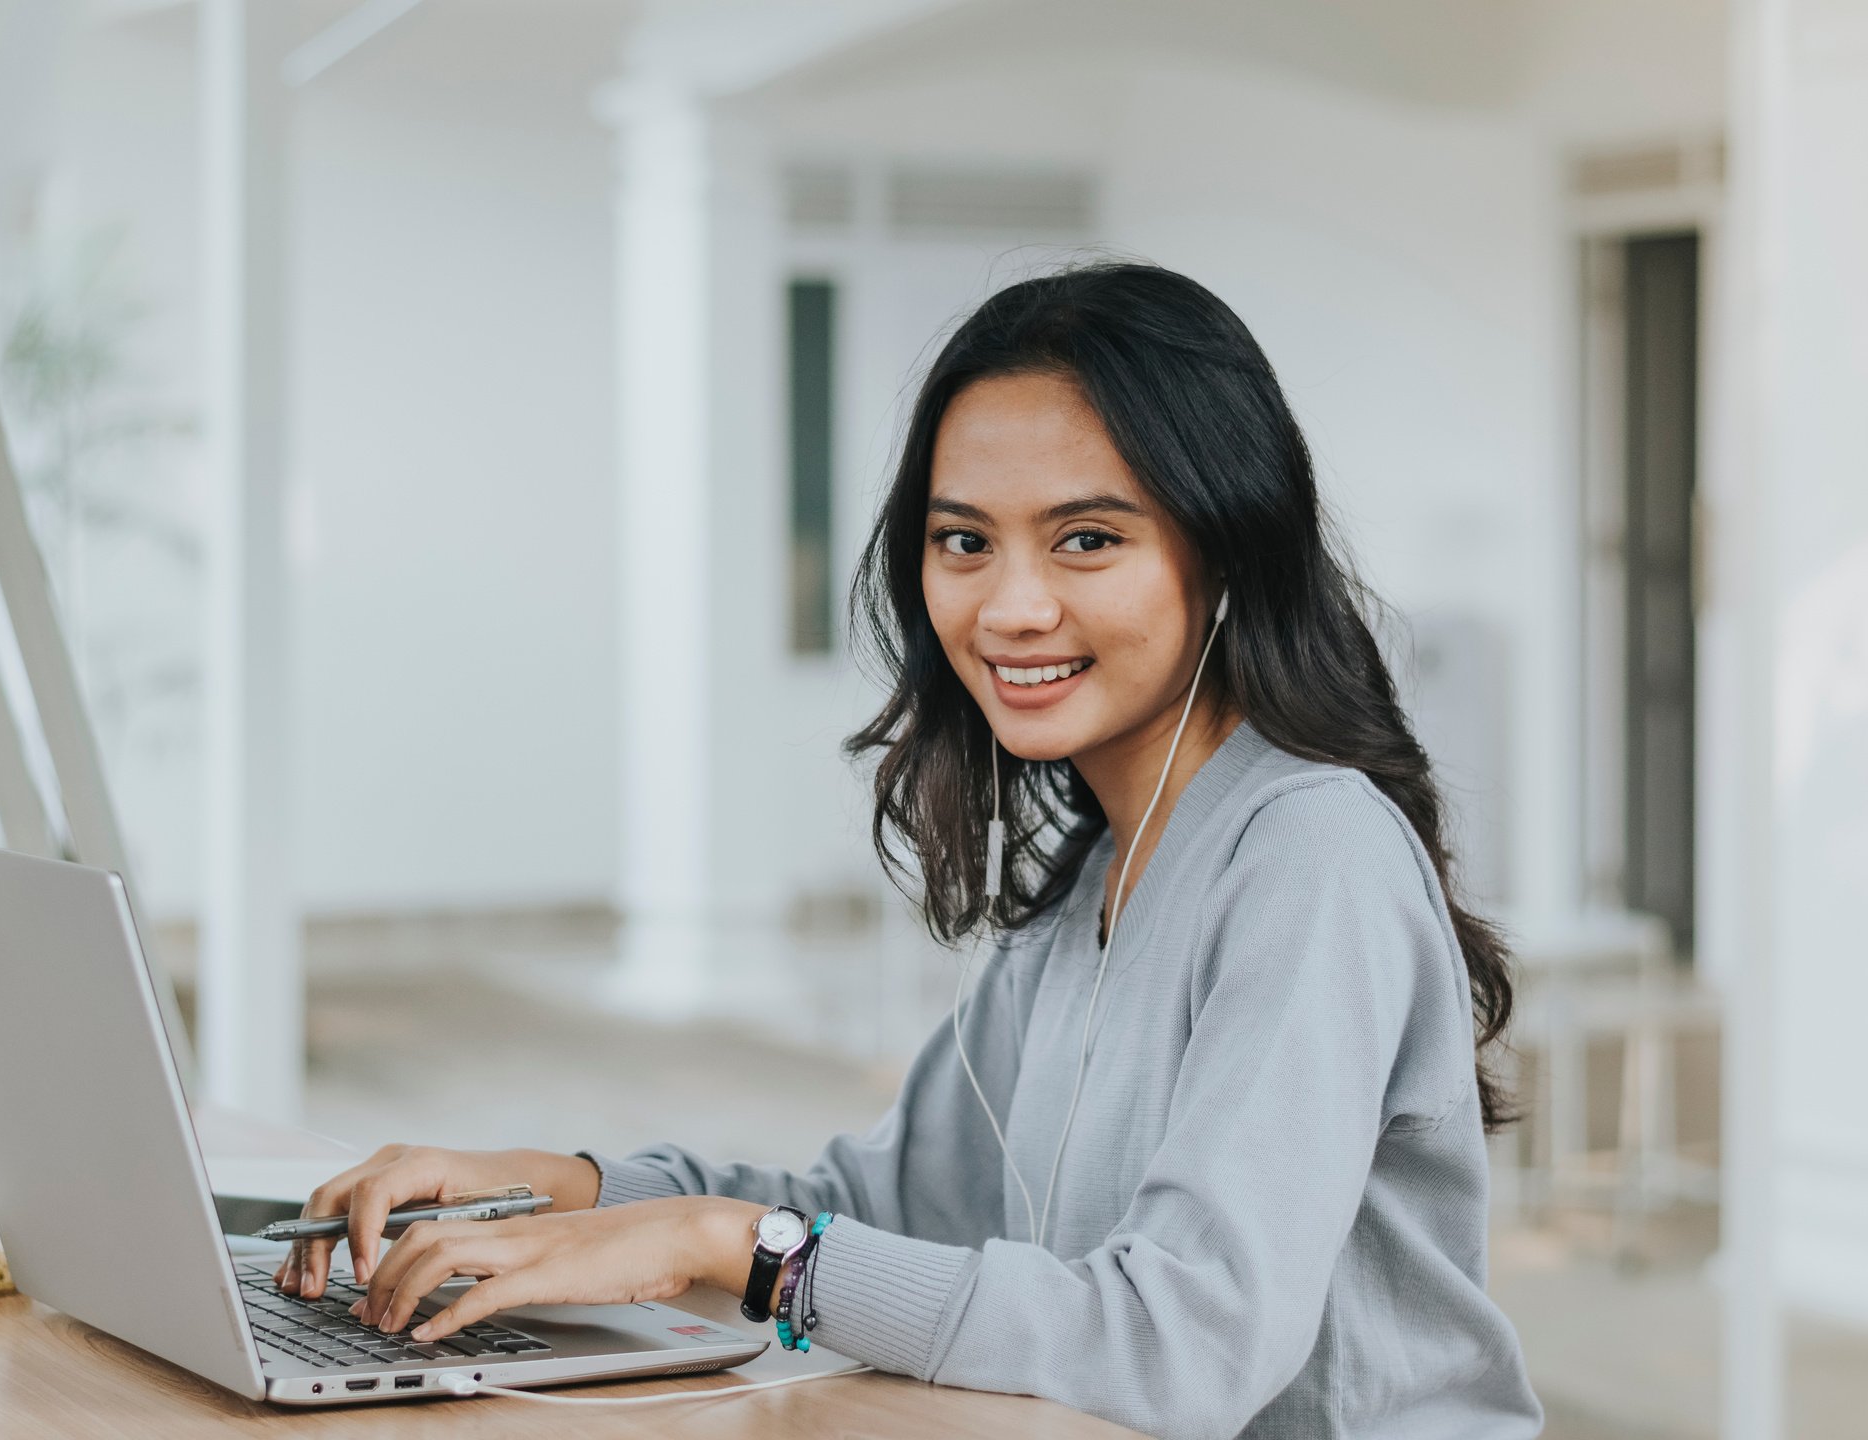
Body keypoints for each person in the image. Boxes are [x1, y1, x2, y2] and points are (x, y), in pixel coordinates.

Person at [276, 263, 1544, 1438]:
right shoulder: (1098, 879)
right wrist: (556, 1186)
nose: (1009, 607)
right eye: (964, 540)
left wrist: (735, 1246)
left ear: (1224, 553)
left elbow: (1185, 1341)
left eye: (1087, 538)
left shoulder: (1310, 856)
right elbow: (880, 1207)